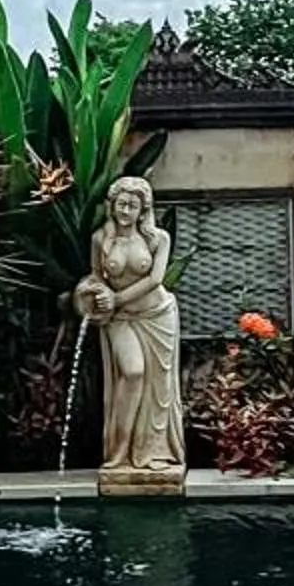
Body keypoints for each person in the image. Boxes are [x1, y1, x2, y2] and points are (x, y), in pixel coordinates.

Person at [74, 175, 182, 471]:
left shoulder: (158, 238)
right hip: (119, 319)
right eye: (121, 204)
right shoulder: (100, 239)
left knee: (158, 387)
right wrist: (90, 293)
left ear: (142, 210)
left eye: (132, 206)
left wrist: (116, 298)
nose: (125, 211)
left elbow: (155, 279)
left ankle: (151, 452)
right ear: (112, 206)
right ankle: (119, 451)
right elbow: (96, 276)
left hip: (158, 315)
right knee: (132, 372)